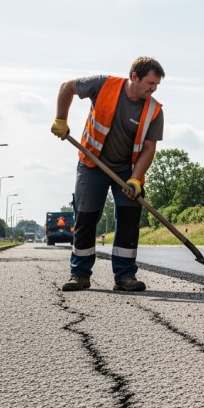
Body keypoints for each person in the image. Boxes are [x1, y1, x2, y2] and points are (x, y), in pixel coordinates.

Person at [50, 56, 165, 293]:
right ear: (134, 76)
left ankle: (125, 276)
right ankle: (80, 275)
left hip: (127, 170)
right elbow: (66, 88)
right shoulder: (102, 85)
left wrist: (135, 179)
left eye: (156, 85)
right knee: (86, 219)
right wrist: (61, 119)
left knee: (129, 219)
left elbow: (149, 148)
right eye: (150, 83)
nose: (153, 89)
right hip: (92, 163)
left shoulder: (154, 111)